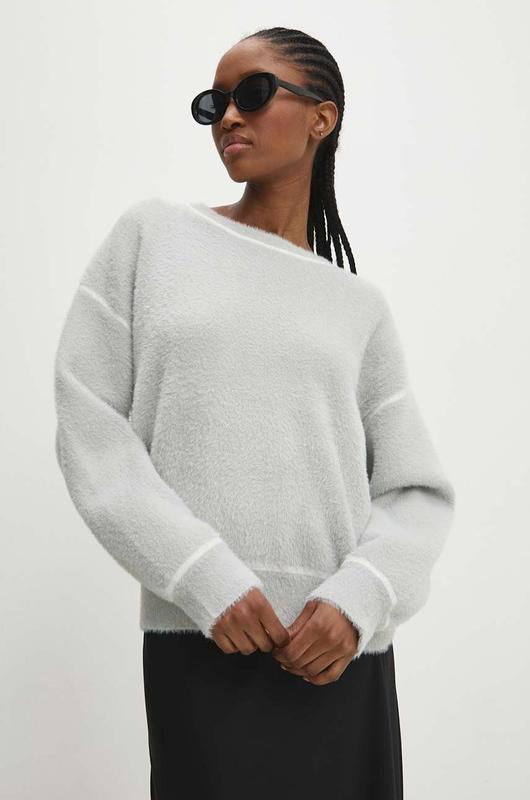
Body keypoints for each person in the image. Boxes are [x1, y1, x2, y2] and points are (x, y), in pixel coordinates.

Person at [54, 26, 456, 800]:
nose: (228, 116)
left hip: (339, 654)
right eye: (214, 103)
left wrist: (358, 600)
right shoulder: (153, 239)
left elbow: (416, 491)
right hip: (201, 638)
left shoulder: (358, 307)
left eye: (253, 93)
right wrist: (199, 574)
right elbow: (89, 423)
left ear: (321, 118)